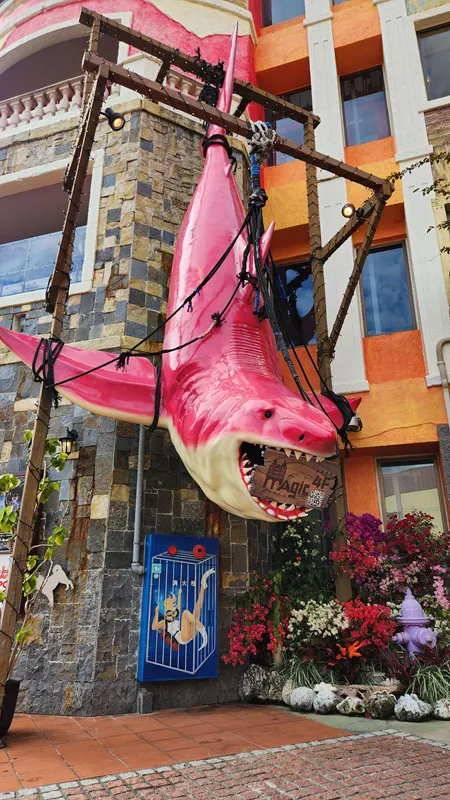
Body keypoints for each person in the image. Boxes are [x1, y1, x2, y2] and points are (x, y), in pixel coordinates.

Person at [152, 568, 215, 651]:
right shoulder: (164, 622)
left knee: (196, 609)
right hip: (182, 638)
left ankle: (203, 585)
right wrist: (156, 613)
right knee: (185, 613)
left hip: (189, 634)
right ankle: (202, 628)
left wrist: (178, 594)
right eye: (168, 602)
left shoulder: (174, 615)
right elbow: (153, 627)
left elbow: (177, 607)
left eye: (170, 602)